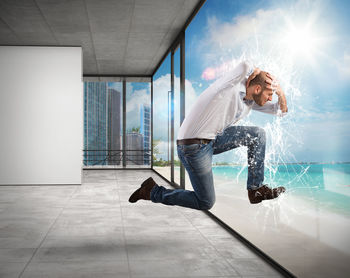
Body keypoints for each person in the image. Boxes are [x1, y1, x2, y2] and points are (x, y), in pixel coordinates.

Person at [129, 61, 288, 209]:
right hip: (192, 146)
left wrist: (280, 93)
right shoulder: (229, 86)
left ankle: (255, 190)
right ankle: (152, 192)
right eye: (269, 94)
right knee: (206, 202)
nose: (270, 98)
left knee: (258, 135)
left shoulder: (250, 101)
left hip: (213, 139)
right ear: (258, 89)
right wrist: (257, 71)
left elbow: (281, 111)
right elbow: (244, 65)